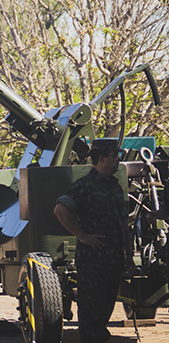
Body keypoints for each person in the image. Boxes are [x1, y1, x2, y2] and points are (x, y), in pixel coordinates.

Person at [54, 139, 133, 343]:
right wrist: (82, 236)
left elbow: (123, 223)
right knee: (91, 307)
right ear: (102, 159)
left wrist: (129, 254)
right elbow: (60, 210)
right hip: (93, 260)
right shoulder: (84, 185)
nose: (118, 161)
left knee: (107, 304)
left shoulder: (115, 187)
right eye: (116, 157)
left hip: (114, 259)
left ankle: (98, 336)